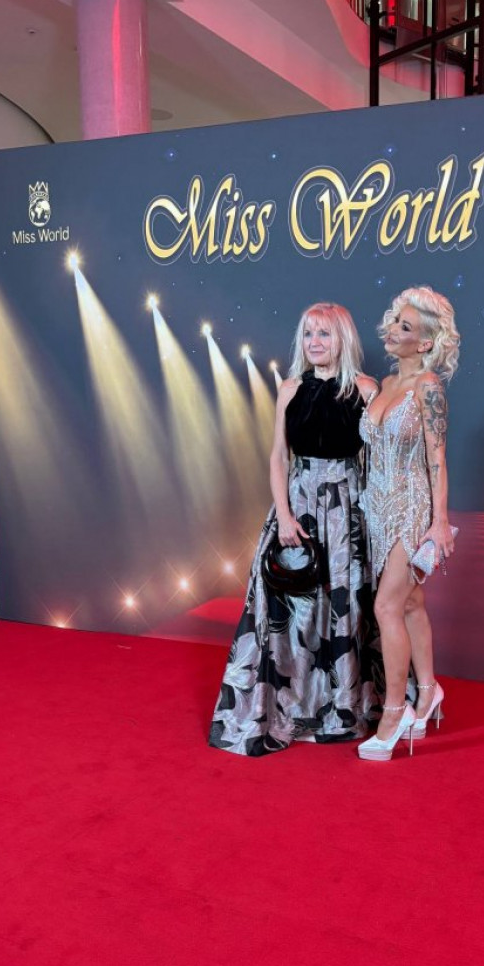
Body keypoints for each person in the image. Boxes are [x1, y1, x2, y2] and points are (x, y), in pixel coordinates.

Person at [209, 303, 380, 756]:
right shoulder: (289, 388)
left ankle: (341, 707)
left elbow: (379, 461)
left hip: (346, 508)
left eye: (324, 333)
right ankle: (290, 706)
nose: (315, 342)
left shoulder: (366, 389)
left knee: (345, 606)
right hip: (298, 503)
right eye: (308, 334)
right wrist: (284, 516)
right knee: (289, 606)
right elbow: (278, 458)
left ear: (343, 339)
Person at [357, 286, 460, 762]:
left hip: (410, 507)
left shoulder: (428, 386)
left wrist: (440, 521)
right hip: (375, 507)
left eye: (405, 326)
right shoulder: (383, 383)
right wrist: (364, 392)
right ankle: (430, 689)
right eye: (395, 321)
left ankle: (394, 714)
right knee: (411, 602)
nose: (392, 330)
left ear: (425, 343)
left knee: (386, 607)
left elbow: (437, 459)